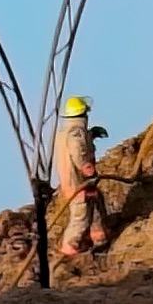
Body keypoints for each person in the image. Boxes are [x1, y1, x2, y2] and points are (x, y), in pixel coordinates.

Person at [54, 95, 106, 256]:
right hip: (77, 182)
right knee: (80, 217)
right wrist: (87, 167)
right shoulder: (76, 133)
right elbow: (77, 150)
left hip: (75, 181)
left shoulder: (66, 132)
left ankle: (99, 238)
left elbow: (79, 143)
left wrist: (92, 135)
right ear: (83, 114)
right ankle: (70, 248)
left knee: (96, 203)